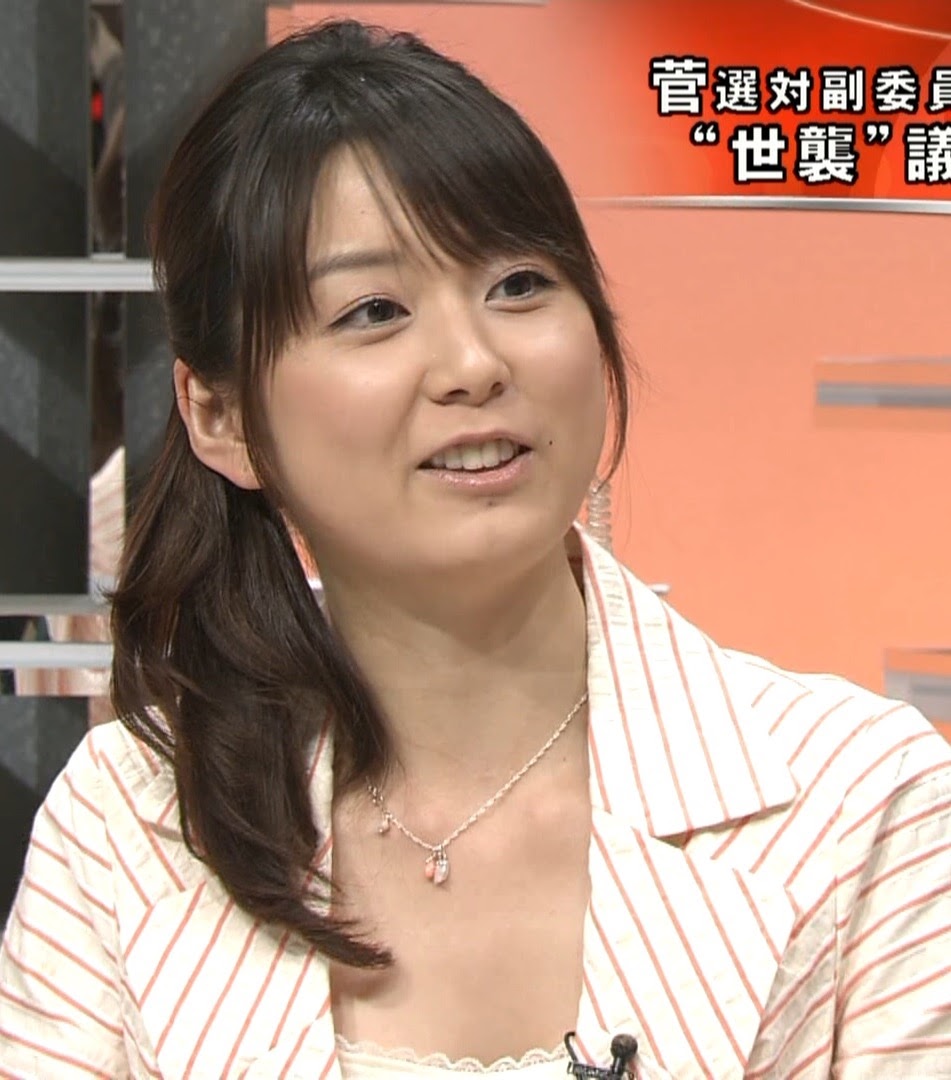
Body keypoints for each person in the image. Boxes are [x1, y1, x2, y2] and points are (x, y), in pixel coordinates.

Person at [1, 19, 950, 1080]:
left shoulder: (859, 798)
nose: (472, 362)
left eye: (519, 285)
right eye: (373, 310)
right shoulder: (129, 821)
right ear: (219, 416)